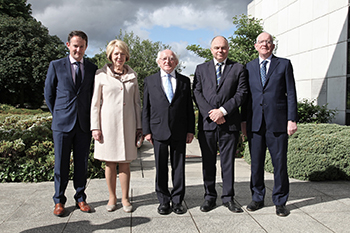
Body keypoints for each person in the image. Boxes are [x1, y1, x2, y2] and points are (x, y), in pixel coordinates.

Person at [241, 32, 298, 217]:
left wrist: (292, 119)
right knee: (256, 164)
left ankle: (280, 201)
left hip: (278, 123)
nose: (265, 44)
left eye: (268, 42)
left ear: (273, 46)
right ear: (256, 46)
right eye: (261, 42)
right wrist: (243, 122)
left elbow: (291, 92)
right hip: (255, 124)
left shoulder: (284, 64)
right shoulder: (248, 67)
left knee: (280, 164)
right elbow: (245, 97)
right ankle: (257, 198)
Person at [44, 30, 98, 217]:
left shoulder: (92, 68)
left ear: (86, 47)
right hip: (62, 124)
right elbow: (48, 94)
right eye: (75, 45)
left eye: (82, 46)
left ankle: (80, 197)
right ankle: (59, 200)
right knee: (60, 164)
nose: (78, 49)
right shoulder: (56, 65)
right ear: (68, 45)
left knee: (82, 164)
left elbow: (93, 96)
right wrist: (59, 114)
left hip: (83, 124)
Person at [193, 36, 248, 213]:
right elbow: (197, 92)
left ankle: (228, 198)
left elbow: (242, 93)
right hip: (207, 124)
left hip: (229, 123)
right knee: (208, 162)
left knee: (228, 163)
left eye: (223, 48)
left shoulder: (238, 68)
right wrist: (212, 114)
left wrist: (223, 111)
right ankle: (209, 197)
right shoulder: (201, 69)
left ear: (228, 49)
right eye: (216, 48)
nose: (220, 51)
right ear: (211, 49)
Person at [90, 39, 142, 213]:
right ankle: (112, 197)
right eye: (116, 54)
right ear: (110, 56)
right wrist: (95, 127)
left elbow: (136, 103)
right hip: (107, 126)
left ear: (126, 56)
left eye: (122, 54)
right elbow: (95, 103)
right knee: (110, 163)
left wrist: (139, 127)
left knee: (125, 162)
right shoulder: (100, 75)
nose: (119, 57)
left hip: (128, 125)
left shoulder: (133, 76)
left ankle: (125, 198)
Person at [142, 49, 195, 215]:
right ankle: (164, 201)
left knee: (179, 168)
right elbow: (146, 108)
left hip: (179, 130)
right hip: (158, 130)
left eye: (171, 59)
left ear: (176, 62)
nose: (168, 61)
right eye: (164, 58)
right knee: (161, 167)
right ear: (158, 61)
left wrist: (190, 130)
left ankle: (178, 201)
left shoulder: (185, 81)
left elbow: (189, 108)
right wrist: (147, 131)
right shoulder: (150, 81)